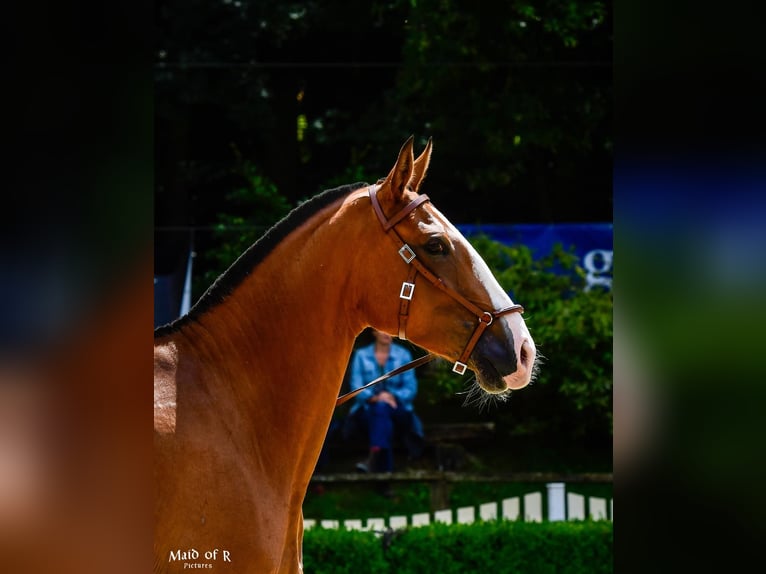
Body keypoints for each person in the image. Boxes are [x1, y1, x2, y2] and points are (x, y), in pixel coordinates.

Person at [343, 329, 425, 476]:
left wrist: (391, 396)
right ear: (374, 332)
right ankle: (384, 471)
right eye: (382, 330)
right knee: (382, 414)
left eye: (390, 331)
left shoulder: (403, 355)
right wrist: (376, 398)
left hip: (398, 410)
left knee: (382, 410)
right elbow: (356, 387)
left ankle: (373, 459)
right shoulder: (361, 355)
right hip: (368, 411)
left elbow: (411, 389)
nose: (387, 334)